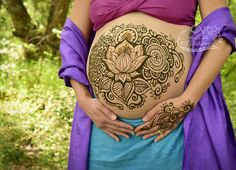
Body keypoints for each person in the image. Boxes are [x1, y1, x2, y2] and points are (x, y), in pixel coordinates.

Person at [58, 0, 236, 169]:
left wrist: (185, 102)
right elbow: (72, 37)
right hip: (104, 127)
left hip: (175, 126)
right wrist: (83, 99)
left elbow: (221, 32)